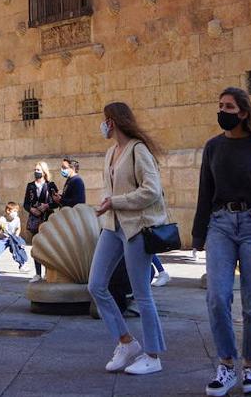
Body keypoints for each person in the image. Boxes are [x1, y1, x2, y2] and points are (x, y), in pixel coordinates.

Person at [191, 87, 251, 396]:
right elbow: (205, 191)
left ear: (243, 113)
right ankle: (227, 364)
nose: (223, 111)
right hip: (220, 224)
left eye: (229, 106)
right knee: (217, 297)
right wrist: (198, 234)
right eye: (220, 105)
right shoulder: (213, 147)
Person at [88, 102, 169, 376]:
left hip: (136, 228)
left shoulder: (138, 149)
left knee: (143, 294)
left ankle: (153, 355)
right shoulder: (111, 152)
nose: (102, 125)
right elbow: (111, 189)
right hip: (112, 226)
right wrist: (105, 205)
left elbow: (152, 191)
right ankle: (126, 342)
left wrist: (115, 202)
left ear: (112, 121)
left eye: (104, 120)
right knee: (96, 284)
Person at [24, 161, 59, 282]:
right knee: (36, 246)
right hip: (35, 219)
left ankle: (47, 273)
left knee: (47, 246)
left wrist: (47, 206)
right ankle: (37, 273)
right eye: (35, 169)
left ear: (44, 172)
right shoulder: (30, 186)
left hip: (47, 218)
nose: (36, 172)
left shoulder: (51, 185)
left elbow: (57, 202)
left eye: (38, 170)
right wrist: (32, 209)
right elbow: (26, 203)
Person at [0, 201, 28, 272]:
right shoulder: (2, 218)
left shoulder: (17, 219)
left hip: (13, 239)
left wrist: (17, 236)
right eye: (14, 211)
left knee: (17, 251)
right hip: (3, 239)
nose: (16, 213)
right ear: (8, 211)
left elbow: (18, 228)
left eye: (17, 211)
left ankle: (22, 265)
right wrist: (0, 229)